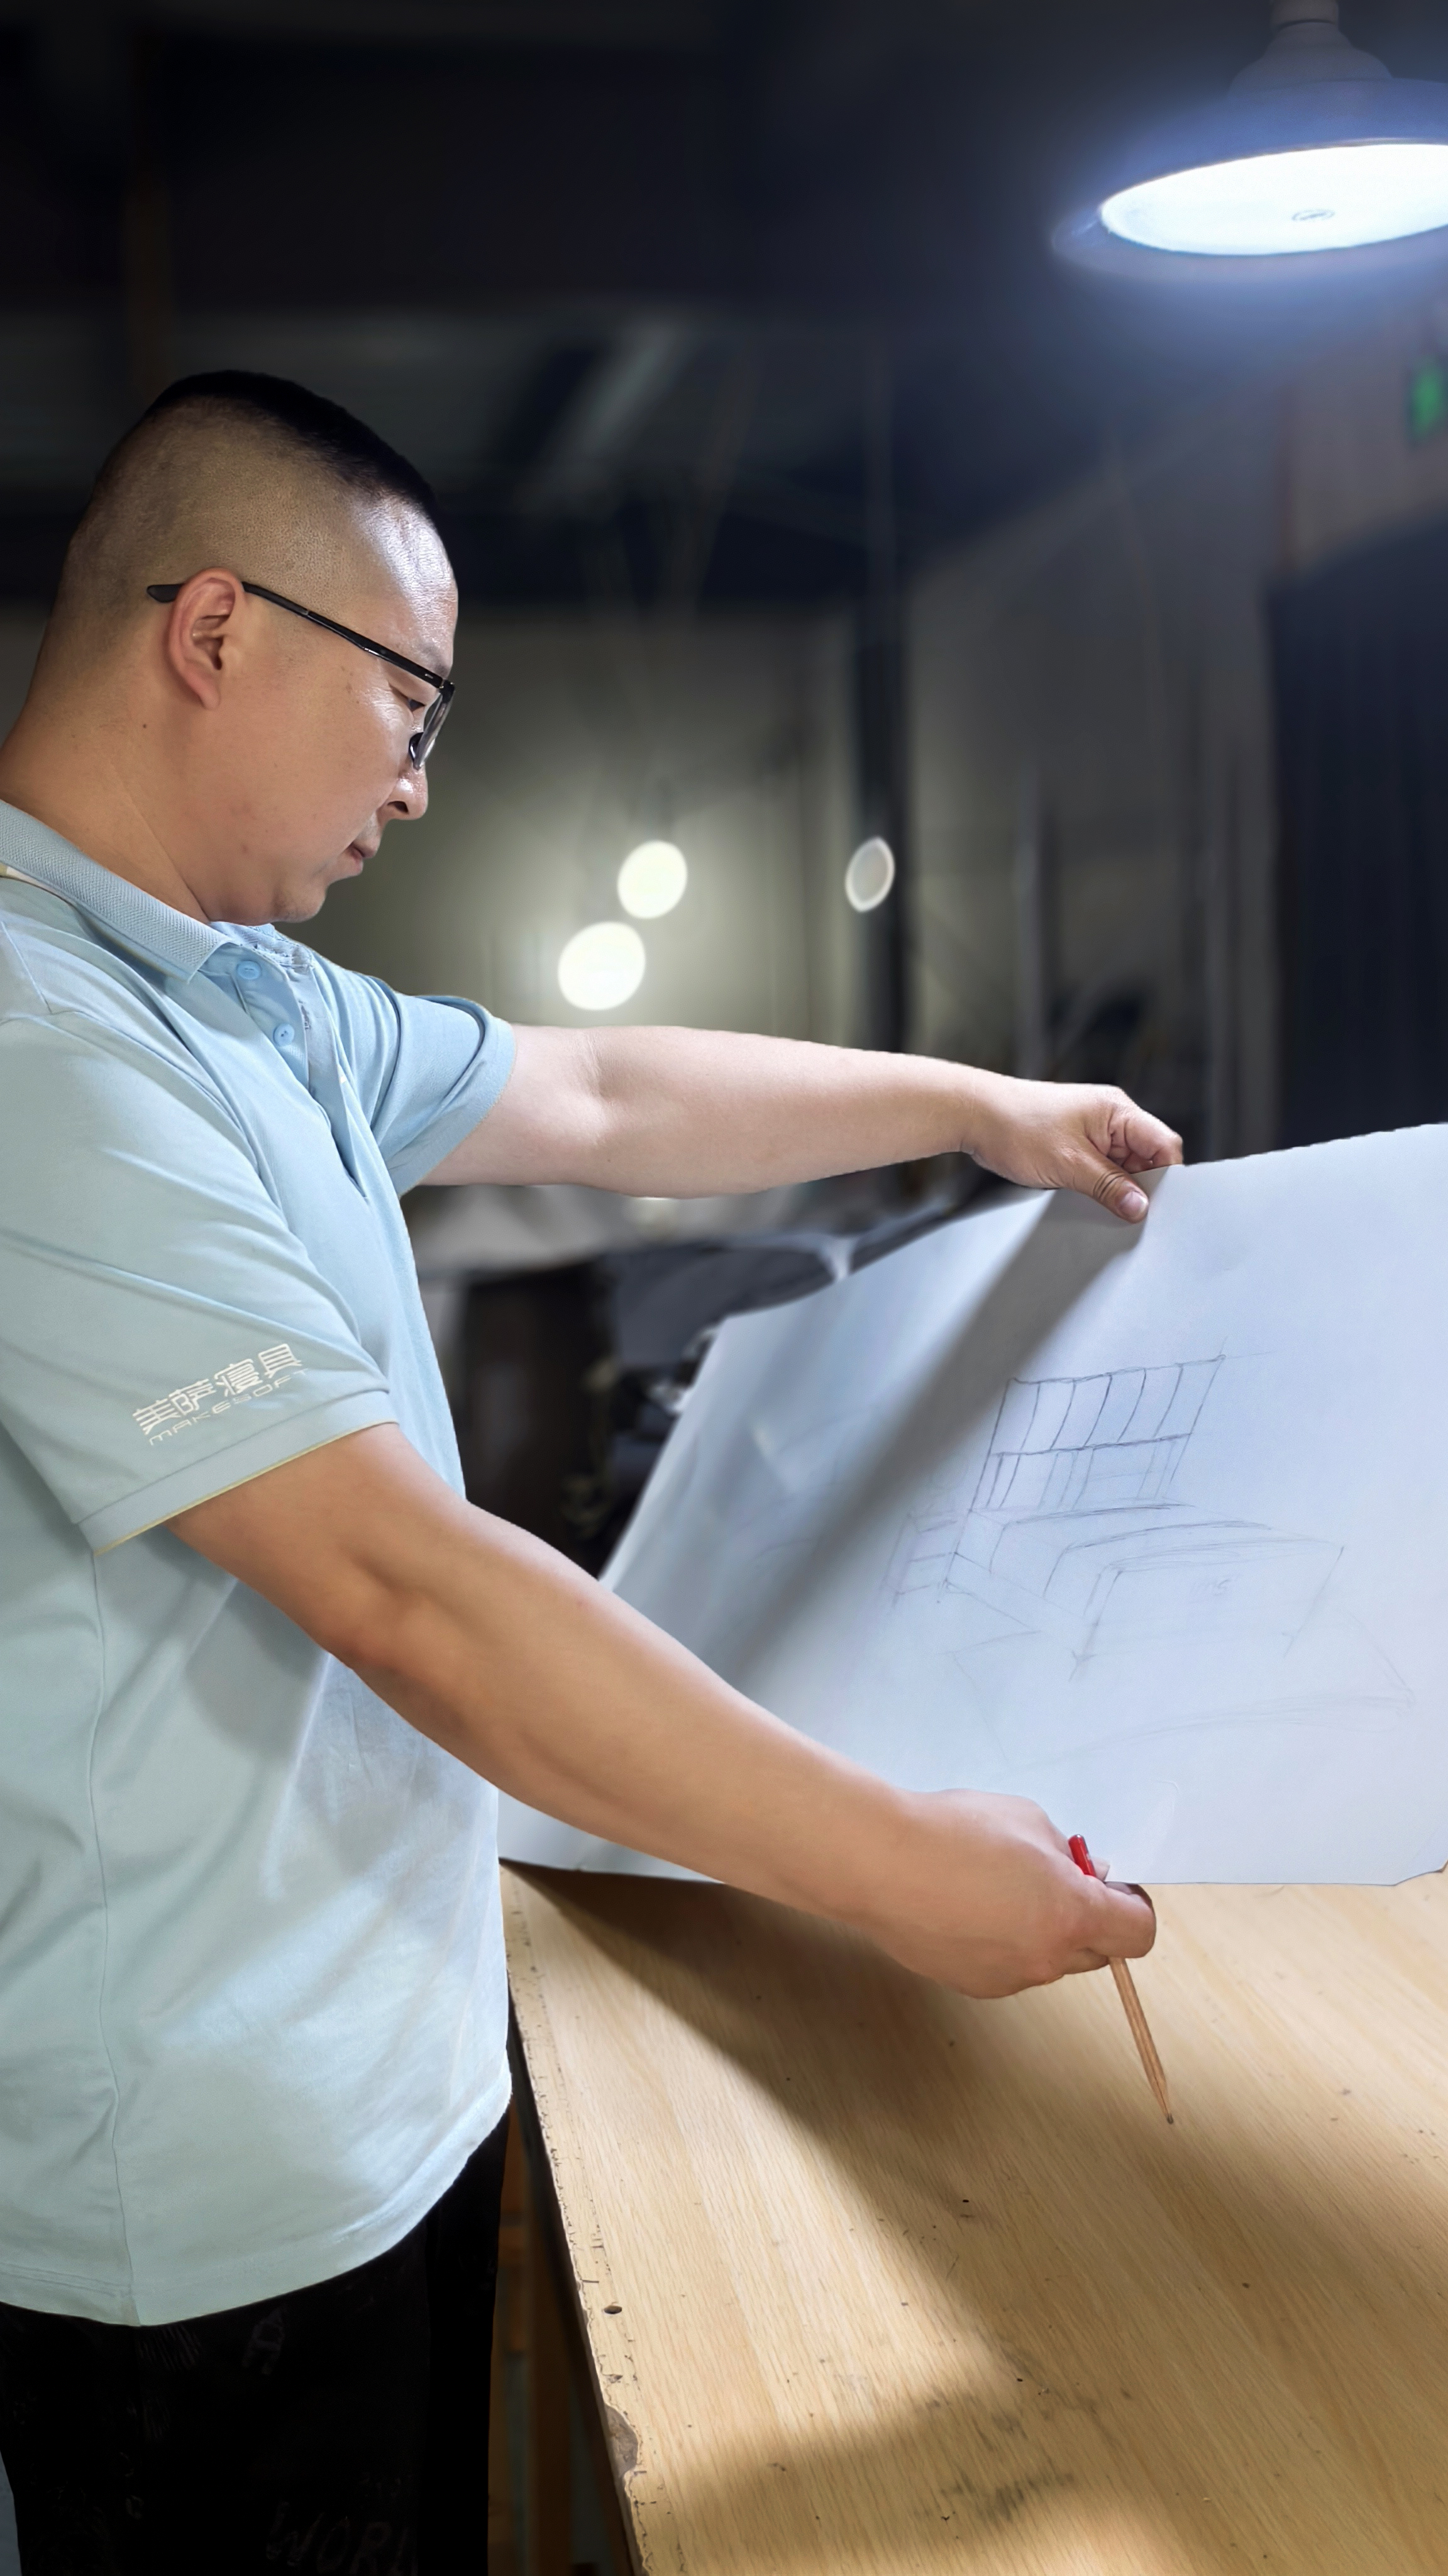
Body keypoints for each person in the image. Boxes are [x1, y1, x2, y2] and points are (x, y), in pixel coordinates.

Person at [0, 372, 1174, 2573]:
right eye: (410, 704)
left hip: (386, 2071)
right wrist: (900, 1868)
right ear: (219, 633)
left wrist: (978, 1107)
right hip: (203, 2198)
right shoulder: (41, 1050)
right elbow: (404, 1588)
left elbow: (609, 1093)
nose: (419, 785)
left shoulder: (248, 997)